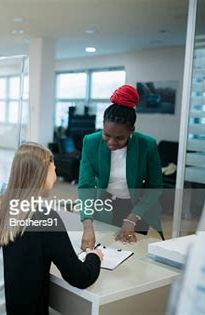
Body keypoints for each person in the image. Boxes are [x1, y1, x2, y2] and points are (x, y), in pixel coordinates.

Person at [0, 142, 102, 315]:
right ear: (43, 172)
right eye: (53, 166)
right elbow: (80, 277)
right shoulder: (45, 217)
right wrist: (94, 257)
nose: (55, 171)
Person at [78, 84, 164, 251]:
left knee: (134, 254)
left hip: (138, 208)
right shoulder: (90, 142)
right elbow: (86, 185)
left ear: (131, 131)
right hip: (106, 205)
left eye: (119, 138)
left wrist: (132, 218)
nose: (111, 142)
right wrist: (87, 225)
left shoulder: (147, 145)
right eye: (107, 134)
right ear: (102, 125)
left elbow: (155, 186)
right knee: (106, 250)